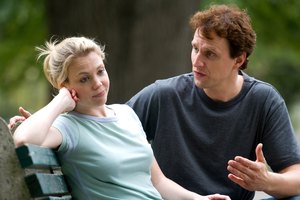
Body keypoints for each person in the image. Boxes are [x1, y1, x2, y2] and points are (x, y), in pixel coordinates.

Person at [11, 36, 230, 200]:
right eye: (84, 79)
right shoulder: (68, 127)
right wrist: (60, 103)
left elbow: (158, 182)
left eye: (100, 71)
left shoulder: (126, 114)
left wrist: (198, 199)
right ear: (65, 87)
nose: (97, 83)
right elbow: (23, 139)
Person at [126, 4, 300, 200]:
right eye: (195, 48)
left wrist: (266, 181)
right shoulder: (163, 94)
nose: (197, 61)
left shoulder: (264, 100)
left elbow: (297, 177)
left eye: (210, 54)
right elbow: (109, 127)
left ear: (238, 60)